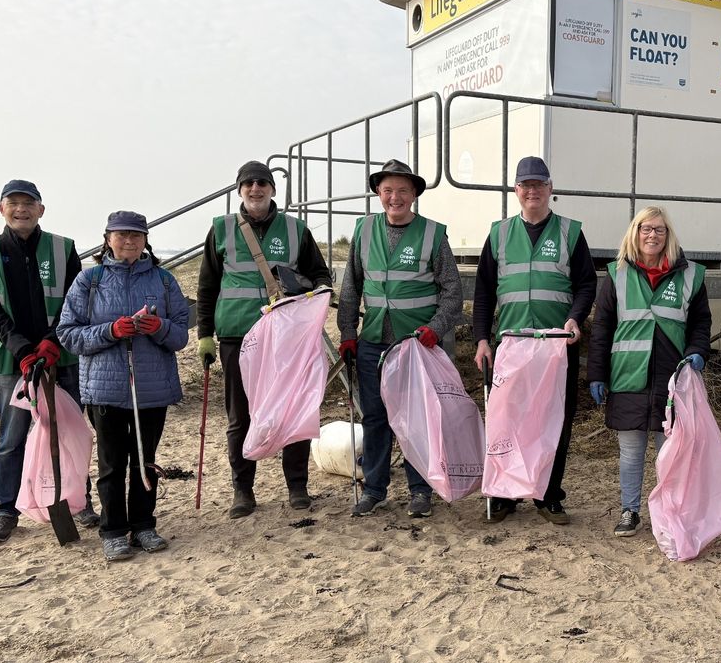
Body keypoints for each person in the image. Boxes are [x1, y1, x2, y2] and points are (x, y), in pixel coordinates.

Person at [196, 161, 332, 518]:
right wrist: (205, 334)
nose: (255, 189)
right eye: (248, 184)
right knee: (240, 415)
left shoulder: (295, 229)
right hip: (236, 334)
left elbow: (320, 275)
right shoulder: (222, 229)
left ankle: (297, 486)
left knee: (293, 409)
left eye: (262, 183)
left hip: (285, 338)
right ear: (239, 190)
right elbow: (208, 285)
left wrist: (312, 300)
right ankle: (243, 491)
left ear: (272, 189)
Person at [0, 179, 98, 544]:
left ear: (41, 209)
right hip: (13, 362)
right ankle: (5, 510)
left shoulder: (63, 248)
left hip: (63, 356)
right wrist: (22, 348)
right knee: (11, 439)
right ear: (1, 209)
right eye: (13, 203)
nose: (21, 209)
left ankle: (80, 501)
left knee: (71, 431)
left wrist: (52, 342)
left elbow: (77, 300)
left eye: (29, 203)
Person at [472, 155, 597, 524]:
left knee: (554, 420)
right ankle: (507, 494)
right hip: (510, 346)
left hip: (556, 345)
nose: (532, 191)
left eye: (539, 185)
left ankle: (548, 495)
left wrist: (576, 318)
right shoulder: (499, 233)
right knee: (506, 420)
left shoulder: (569, 232)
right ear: (516, 190)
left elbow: (587, 284)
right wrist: (482, 339)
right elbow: (483, 292)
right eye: (525, 185)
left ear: (550, 189)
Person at [57, 211, 189, 561]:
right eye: (121, 235)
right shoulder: (90, 280)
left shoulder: (163, 281)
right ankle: (113, 530)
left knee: (145, 460)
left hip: (152, 388)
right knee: (112, 463)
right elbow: (68, 334)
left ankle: (144, 524)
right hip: (105, 389)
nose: (129, 241)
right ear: (108, 239)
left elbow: (180, 335)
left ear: (146, 240)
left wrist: (157, 326)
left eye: (136, 235)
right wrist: (111, 331)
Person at [336, 159, 464, 518]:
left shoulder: (433, 234)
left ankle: (420, 490)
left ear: (414, 195)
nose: (395, 197)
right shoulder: (363, 230)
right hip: (373, 341)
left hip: (415, 345)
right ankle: (374, 488)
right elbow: (351, 288)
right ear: (379, 193)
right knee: (374, 418)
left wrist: (435, 329)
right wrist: (348, 333)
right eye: (388, 190)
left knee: (416, 419)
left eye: (403, 190)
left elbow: (453, 292)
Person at [587, 206, 711, 537]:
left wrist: (698, 352)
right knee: (630, 453)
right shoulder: (617, 274)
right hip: (627, 376)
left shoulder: (690, 275)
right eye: (645, 229)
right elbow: (602, 328)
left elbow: (700, 323)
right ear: (635, 233)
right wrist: (596, 374)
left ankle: (669, 513)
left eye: (659, 229)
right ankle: (630, 511)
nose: (652, 235)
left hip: (673, 380)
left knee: (670, 454)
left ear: (668, 235)